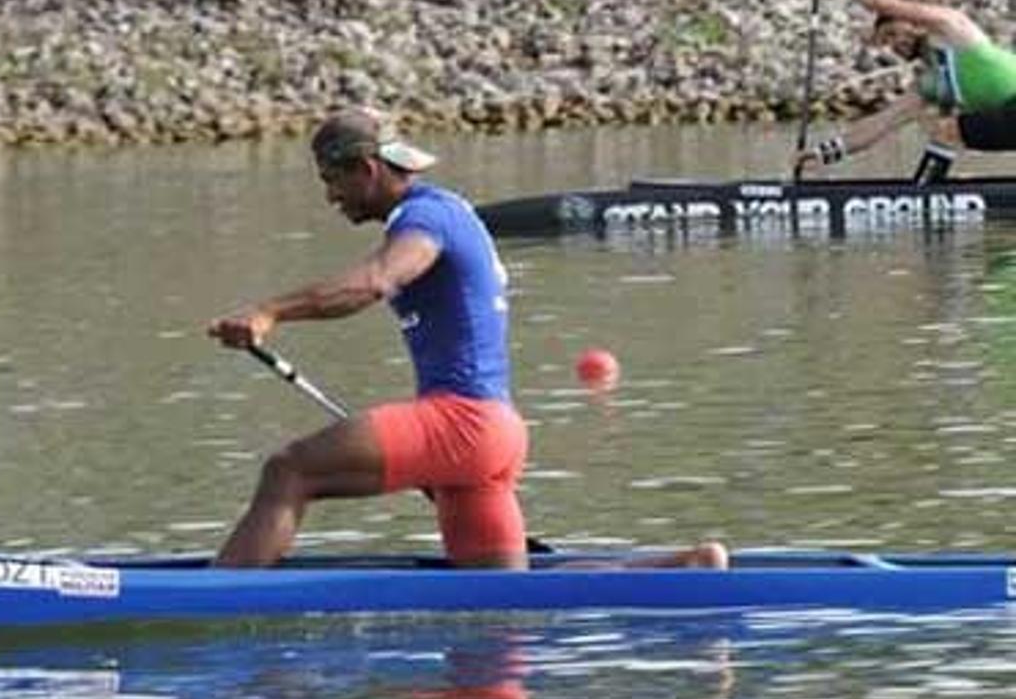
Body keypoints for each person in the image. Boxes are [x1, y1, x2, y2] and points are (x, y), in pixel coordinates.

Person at [207, 107, 728, 572]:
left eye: (332, 180)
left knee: (289, 470)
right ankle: (683, 568)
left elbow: (374, 282)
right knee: (505, 593)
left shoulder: (425, 217)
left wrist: (268, 312)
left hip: (459, 423)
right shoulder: (450, 211)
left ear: (367, 169)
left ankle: (216, 603)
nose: (330, 197)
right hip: (493, 433)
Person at [794, 0, 1016, 184]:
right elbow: (879, 125)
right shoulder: (929, 85)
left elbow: (884, 4)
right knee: (942, 129)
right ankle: (924, 193)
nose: (893, 46)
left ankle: (922, 195)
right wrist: (823, 153)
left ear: (913, 23)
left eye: (892, 34)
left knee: (948, 129)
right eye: (886, 43)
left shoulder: (952, 28)